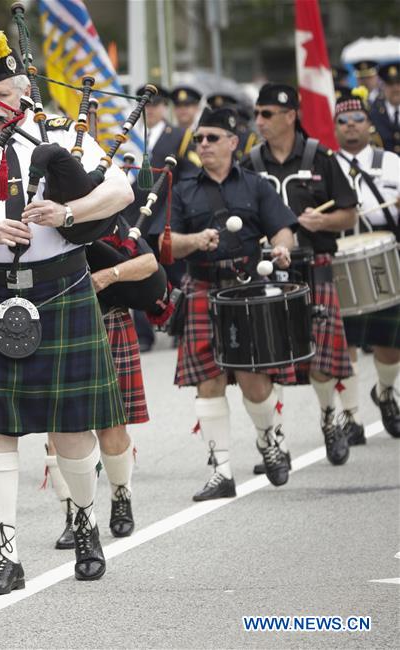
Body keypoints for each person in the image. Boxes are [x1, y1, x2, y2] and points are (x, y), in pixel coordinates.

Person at [0, 33, 132, 593]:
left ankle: (84, 524)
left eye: (4, 95)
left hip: (60, 287)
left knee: (71, 425)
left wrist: (68, 211)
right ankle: (6, 552)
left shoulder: (62, 138)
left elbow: (121, 190)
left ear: (26, 93)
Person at [170, 107, 297, 500]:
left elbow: (283, 229)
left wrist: (281, 248)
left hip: (247, 290)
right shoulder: (183, 189)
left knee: (253, 381)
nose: (203, 145)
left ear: (232, 142)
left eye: (211, 138)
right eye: (199, 139)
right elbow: (167, 243)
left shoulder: (256, 185)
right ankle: (221, 470)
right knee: (207, 382)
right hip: (204, 287)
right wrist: (194, 242)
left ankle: (269, 439)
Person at [245, 83, 358, 466]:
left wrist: (322, 219)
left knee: (323, 359)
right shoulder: (251, 164)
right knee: (269, 358)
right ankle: (277, 441)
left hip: (316, 265)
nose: (258, 121)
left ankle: (330, 419)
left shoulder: (320, 157)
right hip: (269, 270)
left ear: (290, 115)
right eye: (257, 113)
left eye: (266, 114)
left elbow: (350, 213)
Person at [44, 215, 157, 545]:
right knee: (59, 428)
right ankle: (74, 513)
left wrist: (108, 276)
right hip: (53, 330)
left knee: (113, 426)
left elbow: (149, 263)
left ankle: (121, 494)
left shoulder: (102, 216)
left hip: (108, 324)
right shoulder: (33, 223)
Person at [332, 88, 400, 441]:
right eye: (342, 121)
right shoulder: (327, 165)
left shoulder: (391, 163)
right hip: (340, 260)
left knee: (391, 343)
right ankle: (351, 415)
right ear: (335, 127)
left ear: (370, 125)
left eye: (358, 119)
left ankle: (386, 392)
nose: (351, 127)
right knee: (345, 342)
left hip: (384, 258)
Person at [126, 84, 200, 350]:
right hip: (133, 216)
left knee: (174, 275)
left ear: (164, 107)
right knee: (139, 276)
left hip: (165, 215)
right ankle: (144, 334)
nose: (151, 110)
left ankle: (179, 328)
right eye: (146, 105)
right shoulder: (129, 135)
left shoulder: (179, 135)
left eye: (156, 105)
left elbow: (191, 173)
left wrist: (178, 204)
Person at [369, 62, 400, 156]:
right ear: (383, 86)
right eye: (390, 84)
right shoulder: (373, 112)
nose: (395, 89)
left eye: (398, 84)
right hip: (385, 167)